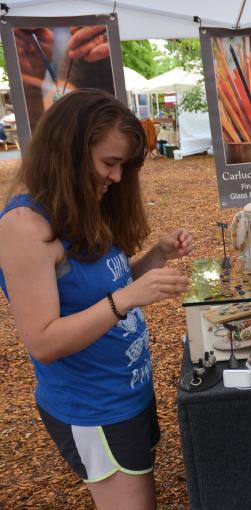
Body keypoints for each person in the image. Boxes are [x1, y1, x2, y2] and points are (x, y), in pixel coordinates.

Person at [0, 89, 192, 509]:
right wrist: (126, 299)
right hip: (93, 407)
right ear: (68, 151)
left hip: (127, 392)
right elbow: (43, 341)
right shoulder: (24, 227)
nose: (117, 177)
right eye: (109, 162)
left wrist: (156, 257)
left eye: (123, 165)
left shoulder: (82, 203)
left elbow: (107, 285)